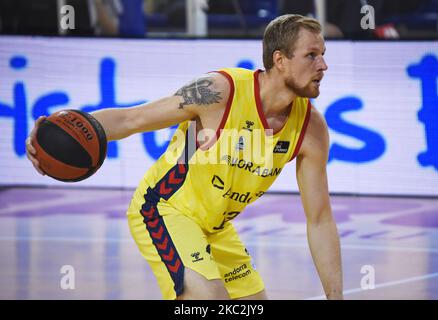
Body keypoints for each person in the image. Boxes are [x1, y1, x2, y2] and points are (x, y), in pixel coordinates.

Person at [26, 14, 343, 300]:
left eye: (323, 55)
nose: (323, 65)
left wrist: (335, 297)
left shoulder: (311, 129)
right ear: (280, 59)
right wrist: (63, 128)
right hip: (164, 208)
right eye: (311, 55)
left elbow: (320, 219)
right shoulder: (219, 91)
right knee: (207, 299)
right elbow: (132, 119)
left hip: (215, 228)